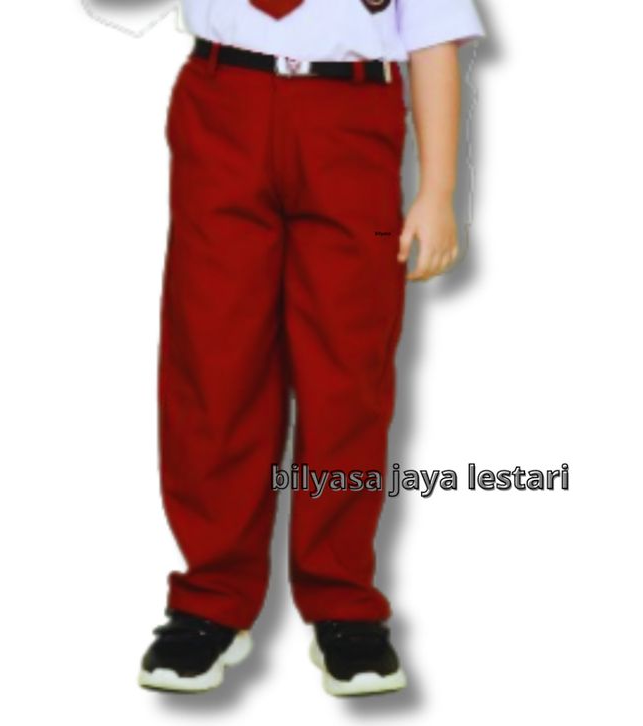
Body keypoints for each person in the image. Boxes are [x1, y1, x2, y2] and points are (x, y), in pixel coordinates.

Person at [118, 0, 487, 696]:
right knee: (213, 357)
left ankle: (342, 599)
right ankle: (211, 597)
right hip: (223, 99)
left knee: (348, 367)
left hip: (351, 114)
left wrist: (438, 191)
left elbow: (434, 36)